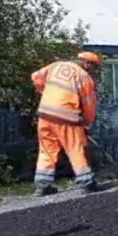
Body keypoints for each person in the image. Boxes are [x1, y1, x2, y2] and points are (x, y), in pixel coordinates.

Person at [31, 51, 101, 196]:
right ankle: (86, 183)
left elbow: (35, 77)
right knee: (75, 149)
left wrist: (46, 92)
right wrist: (87, 124)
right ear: (87, 64)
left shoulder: (56, 66)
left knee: (47, 150)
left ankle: (42, 186)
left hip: (45, 115)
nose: (94, 71)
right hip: (67, 118)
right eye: (94, 68)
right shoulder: (83, 76)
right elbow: (89, 104)